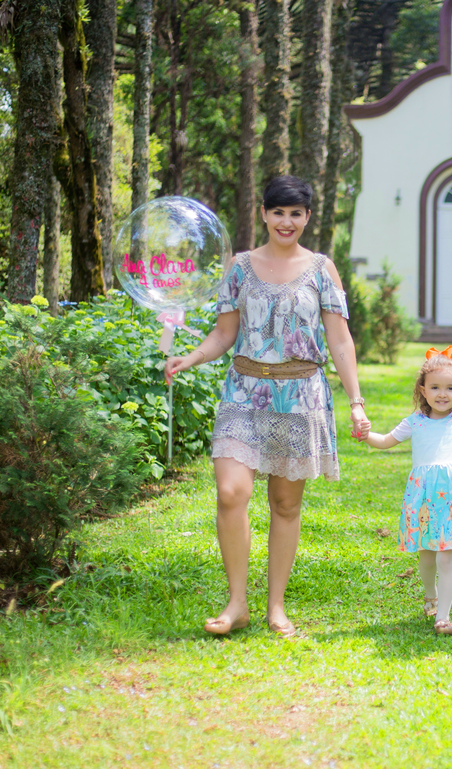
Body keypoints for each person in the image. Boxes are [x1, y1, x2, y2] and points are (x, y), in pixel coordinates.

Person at [165, 176, 369, 637]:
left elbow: (339, 339)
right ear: (263, 213)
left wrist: (355, 401)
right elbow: (224, 333)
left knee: (284, 503)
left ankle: (276, 606)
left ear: (307, 218)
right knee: (231, 492)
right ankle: (237, 603)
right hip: (244, 392)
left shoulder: (321, 269)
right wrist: (191, 357)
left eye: (296, 213)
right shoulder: (239, 267)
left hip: (300, 396)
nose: (286, 221)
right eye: (278, 212)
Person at [361, 346, 452, 635]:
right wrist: (364, 433)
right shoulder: (415, 421)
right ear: (423, 389)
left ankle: (443, 615)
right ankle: (430, 595)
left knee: (446, 556)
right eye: (435, 387)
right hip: (423, 496)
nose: (442, 394)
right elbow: (384, 441)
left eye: (450, 387)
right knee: (427, 554)